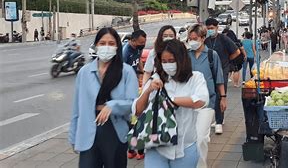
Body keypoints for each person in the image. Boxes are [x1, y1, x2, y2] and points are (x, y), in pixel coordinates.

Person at [69, 27, 139, 168]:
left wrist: (112, 106)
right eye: (102, 43)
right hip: (88, 130)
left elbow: (133, 103)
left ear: (117, 46)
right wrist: (73, 136)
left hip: (114, 130)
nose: (106, 47)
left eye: (111, 43)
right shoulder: (84, 72)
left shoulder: (126, 71)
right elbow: (77, 108)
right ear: (96, 46)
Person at [133, 39, 209, 168]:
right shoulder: (156, 79)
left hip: (185, 146)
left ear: (181, 60)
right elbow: (137, 110)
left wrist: (168, 99)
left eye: (172, 61)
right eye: (164, 62)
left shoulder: (195, 78)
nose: (168, 65)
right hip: (157, 145)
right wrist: (148, 91)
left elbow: (201, 100)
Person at [187, 24, 226, 168]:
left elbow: (219, 78)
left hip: (207, 102)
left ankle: (201, 165)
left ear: (203, 38)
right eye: (189, 39)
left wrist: (223, 97)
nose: (192, 41)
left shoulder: (211, 55)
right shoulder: (186, 55)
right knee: (190, 138)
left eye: (195, 38)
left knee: (202, 138)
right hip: (187, 102)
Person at [205, 18, 240, 134]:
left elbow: (237, 52)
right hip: (210, 71)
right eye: (208, 28)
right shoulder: (206, 41)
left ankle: (219, 121)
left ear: (217, 27)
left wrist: (226, 61)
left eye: (212, 28)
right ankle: (219, 117)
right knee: (212, 95)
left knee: (221, 94)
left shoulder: (224, 39)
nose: (210, 30)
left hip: (223, 69)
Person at [122, 29, 147, 160]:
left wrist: (142, 73)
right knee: (137, 120)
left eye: (144, 42)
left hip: (136, 86)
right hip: (128, 90)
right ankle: (138, 151)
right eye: (140, 43)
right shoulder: (125, 52)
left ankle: (133, 150)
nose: (142, 45)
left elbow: (139, 61)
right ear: (132, 41)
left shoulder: (138, 48)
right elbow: (121, 72)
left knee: (135, 120)